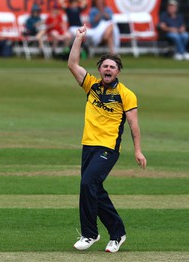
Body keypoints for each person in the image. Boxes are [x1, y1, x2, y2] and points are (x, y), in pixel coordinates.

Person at [68, 25, 147, 253]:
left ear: (118, 71)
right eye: (105, 66)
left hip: (108, 148)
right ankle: (118, 233)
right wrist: (78, 39)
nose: (108, 69)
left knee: (86, 184)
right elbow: (72, 64)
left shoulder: (126, 94)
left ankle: (90, 234)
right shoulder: (91, 85)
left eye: (112, 66)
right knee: (94, 189)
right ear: (100, 70)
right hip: (88, 145)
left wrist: (138, 150)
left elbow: (133, 125)